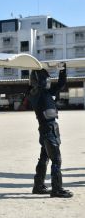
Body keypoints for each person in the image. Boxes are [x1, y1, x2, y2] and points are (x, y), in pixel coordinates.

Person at [28, 66, 73, 198]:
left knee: (44, 157)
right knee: (56, 159)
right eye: (45, 79)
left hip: (48, 128)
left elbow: (60, 84)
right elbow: (39, 89)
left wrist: (62, 71)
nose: (48, 81)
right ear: (39, 81)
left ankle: (38, 185)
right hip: (48, 129)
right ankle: (57, 189)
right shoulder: (36, 93)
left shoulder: (43, 92)